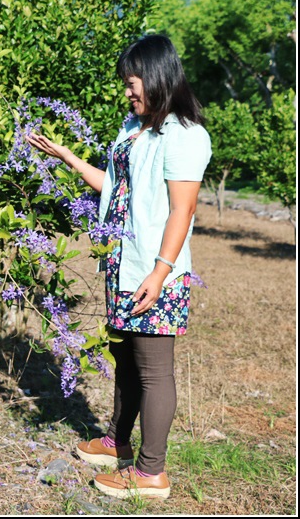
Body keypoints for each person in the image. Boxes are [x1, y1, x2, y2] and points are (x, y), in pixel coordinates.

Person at [26, 34, 211, 500]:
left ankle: (151, 473)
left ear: (157, 77)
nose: (128, 93)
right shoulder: (136, 127)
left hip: (156, 270)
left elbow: (181, 211)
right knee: (126, 358)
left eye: (133, 83)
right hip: (124, 262)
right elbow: (116, 187)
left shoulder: (185, 135)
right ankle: (118, 444)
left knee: (153, 369)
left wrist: (160, 271)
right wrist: (67, 158)